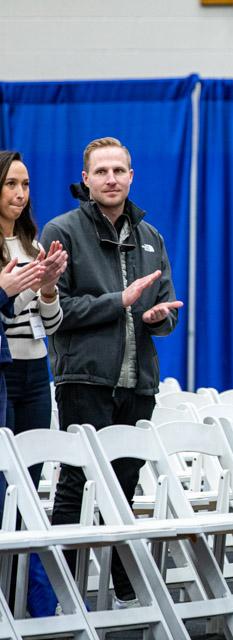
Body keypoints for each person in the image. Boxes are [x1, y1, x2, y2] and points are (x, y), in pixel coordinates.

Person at [41, 136, 182, 609]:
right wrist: (117, 302)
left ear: (131, 176)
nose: (111, 179)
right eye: (101, 171)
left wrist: (161, 317)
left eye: (119, 171)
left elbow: (165, 304)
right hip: (85, 379)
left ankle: (123, 592)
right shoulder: (61, 231)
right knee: (76, 485)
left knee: (124, 488)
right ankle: (61, 594)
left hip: (137, 381)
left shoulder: (151, 236)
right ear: (86, 179)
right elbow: (54, 309)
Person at [0, 151, 68, 617]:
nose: (20, 194)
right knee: (4, 486)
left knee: (29, 483)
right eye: (10, 184)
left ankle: (29, 596)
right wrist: (4, 292)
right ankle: (36, 599)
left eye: (25, 184)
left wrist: (47, 289)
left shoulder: (31, 241)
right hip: (3, 373)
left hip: (35, 370)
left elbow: (51, 321)